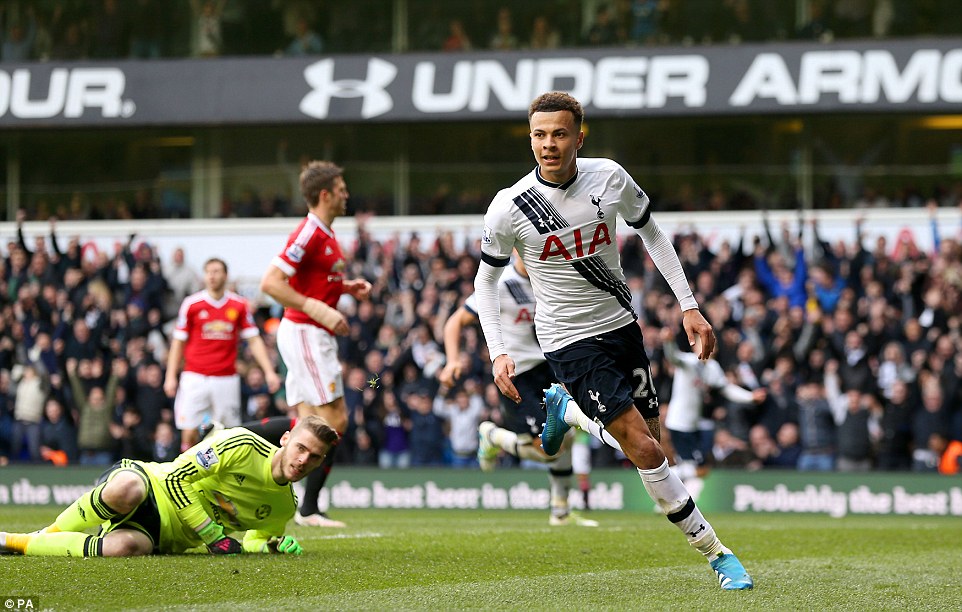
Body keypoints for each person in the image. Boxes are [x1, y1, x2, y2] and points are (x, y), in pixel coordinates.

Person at [474, 91, 753, 590]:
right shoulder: (509, 206)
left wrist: (689, 304)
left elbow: (653, 234)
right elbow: (485, 283)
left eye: (559, 134)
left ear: (579, 137)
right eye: (539, 135)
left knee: (651, 441)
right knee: (644, 449)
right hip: (566, 338)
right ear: (530, 138)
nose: (548, 145)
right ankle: (718, 553)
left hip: (622, 326)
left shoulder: (609, 177)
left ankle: (570, 414)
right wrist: (497, 350)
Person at [0, 415, 339, 557]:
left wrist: (271, 547)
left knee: (122, 549)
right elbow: (177, 477)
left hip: (166, 536)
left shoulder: (284, 506)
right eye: (300, 448)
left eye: (314, 457)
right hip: (153, 483)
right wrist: (211, 536)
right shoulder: (239, 444)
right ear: (285, 439)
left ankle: (14, 544)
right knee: (125, 490)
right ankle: (47, 532)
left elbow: (250, 543)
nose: (303, 460)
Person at [440, 255, 608, 525]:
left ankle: (561, 512)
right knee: (545, 448)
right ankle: (492, 435)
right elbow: (454, 322)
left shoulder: (549, 276)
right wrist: (452, 360)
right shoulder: (501, 283)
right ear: (515, 249)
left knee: (566, 436)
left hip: (550, 367)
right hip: (517, 375)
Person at [259, 160, 372, 528]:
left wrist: (345, 287)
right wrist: (320, 311)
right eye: (341, 190)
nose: (347, 195)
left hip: (309, 333)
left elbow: (314, 281)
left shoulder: (326, 234)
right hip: (306, 331)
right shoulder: (309, 232)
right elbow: (271, 283)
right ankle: (307, 506)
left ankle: (285, 497)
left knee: (304, 423)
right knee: (333, 420)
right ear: (325, 195)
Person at [164, 258, 280, 450]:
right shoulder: (192, 304)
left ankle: (221, 476)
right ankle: (188, 472)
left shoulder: (238, 305)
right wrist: (170, 376)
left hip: (226, 378)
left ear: (225, 275)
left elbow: (254, 339)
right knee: (189, 430)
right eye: (208, 271)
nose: (212, 276)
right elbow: (178, 342)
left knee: (227, 434)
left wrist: (268, 371)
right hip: (195, 376)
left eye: (217, 271)